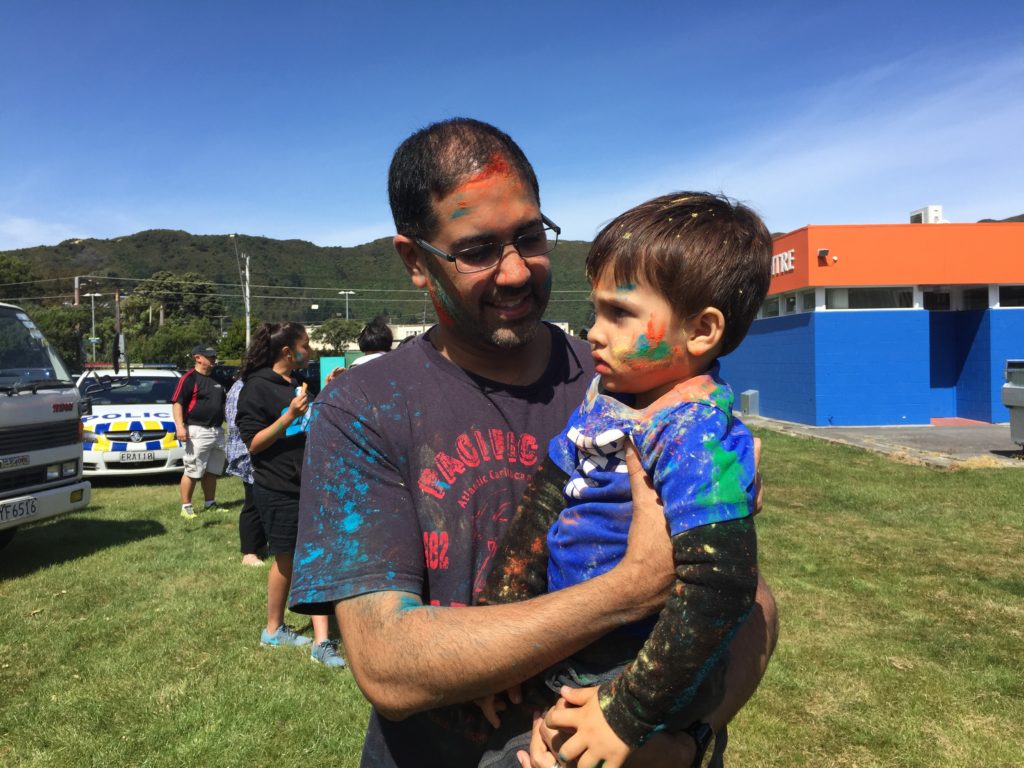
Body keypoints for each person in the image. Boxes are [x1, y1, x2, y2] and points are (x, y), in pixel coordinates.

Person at [290, 118, 777, 767]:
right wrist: (629, 589)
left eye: (528, 236)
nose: (516, 271)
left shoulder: (640, 388)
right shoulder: (364, 407)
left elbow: (746, 599)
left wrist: (682, 744)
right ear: (415, 259)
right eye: (477, 249)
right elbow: (387, 665)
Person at [475, 192, 772, 767]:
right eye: (595, 311)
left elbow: (722, 584)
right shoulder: (609, 397)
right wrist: (499, 627)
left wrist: (625, 713)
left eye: (619, 313)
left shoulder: (697, 433)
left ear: (702, 330)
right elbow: (543, 502)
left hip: (639, 671)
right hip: (577, 649)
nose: (593, 332)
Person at [235, 322, 345, 668]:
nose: (308, 351)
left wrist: (323, 393)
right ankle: (309, 639)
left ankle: (285, 633)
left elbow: (308, 423)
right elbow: (253, 443)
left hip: (307, 482)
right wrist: (287, 418)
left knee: (299, 558)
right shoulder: (256, 388)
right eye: (305, 345)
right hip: (278, 486)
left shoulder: (294, 383)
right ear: (288, 351)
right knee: (296, 560)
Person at [172, 344, 227, 520]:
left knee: (212, 470)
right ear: (198, 358)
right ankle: (186, 506)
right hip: (197, 430)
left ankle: (210, 503)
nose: (213, 359)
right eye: (209, 356)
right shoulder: (189, 378)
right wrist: (180, 426)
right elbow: (177, 403)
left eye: (214, 356)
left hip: (217, 431)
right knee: (192, 470)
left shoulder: (217, 379)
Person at [224, 375, 268, 566]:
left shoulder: (252, 384)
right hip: (248, 451)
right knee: (252, 502)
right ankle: (249, 552)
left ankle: (260, 545)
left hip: (259, 449)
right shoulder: (242, 387)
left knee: (262, 500)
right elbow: (239, 425)